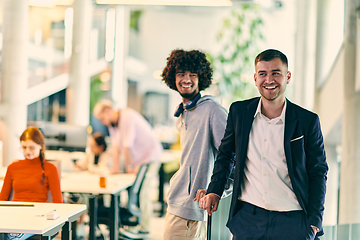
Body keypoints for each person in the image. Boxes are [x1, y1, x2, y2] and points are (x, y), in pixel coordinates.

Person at [196, 49, 328, 240]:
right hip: (248, 219)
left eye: (276, 73)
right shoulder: (239, 112)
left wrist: (314, 221)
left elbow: (318, 171)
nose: (269, 80)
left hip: (293, 222)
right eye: (263, 74)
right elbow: (226, 155)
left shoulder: (307, 121)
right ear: (255, 78)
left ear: (287, 76)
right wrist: (215, 191)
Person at [161, 49, 228, 239]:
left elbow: (234, 156)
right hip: (177, 200)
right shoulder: (183, 112)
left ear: (201, 78)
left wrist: (216, 190)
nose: (186, 79)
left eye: (193, 74)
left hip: (191, 207)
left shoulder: (213, 111)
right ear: (172, 77)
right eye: (181, 74)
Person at [93, 100, 163, 239]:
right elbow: (115, 146)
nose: (103, 122)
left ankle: (145, 229)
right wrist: (115, 168)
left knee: (143, 192)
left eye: (102, 118)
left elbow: (126, 146)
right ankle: (135, 223)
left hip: (151, 156)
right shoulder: (114, 124)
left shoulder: (127, 117)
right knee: (134, 191)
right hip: (139, 160)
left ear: (108, 111)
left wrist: (130, 167)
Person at [0, 126, 63, 240]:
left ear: (41, 147)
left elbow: (58, 203)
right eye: (24, 147)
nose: (27, 152)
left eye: (31, 148)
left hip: (37, 218)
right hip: (15, 215)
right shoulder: (13, 167)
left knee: (9, 236)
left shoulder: (50, 169)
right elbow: (2, 200)